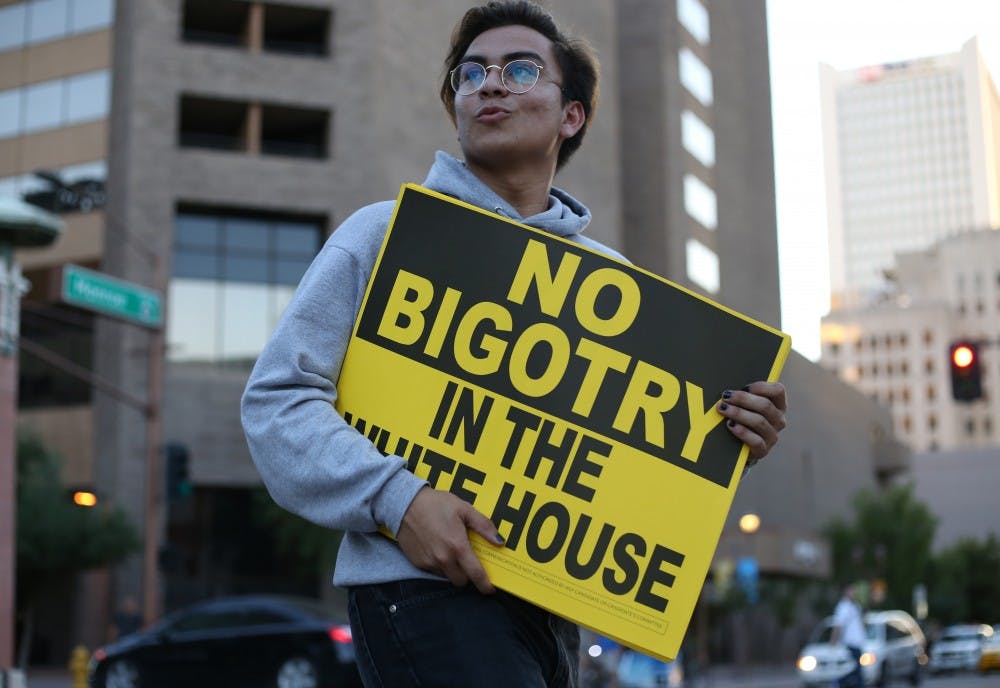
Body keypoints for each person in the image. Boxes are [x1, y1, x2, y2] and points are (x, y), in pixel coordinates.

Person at [241, 2, 788, 686]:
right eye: (471, 74)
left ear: (572, 116)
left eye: (519, 69)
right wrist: (399, 499)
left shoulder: (615, 287)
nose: (489, 83)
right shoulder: (384, 234)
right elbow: (276, 403)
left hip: (559, 611)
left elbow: (629, 469)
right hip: (423, 596)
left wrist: (732, 437)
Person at [830, 583, 866, 688]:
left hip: (858, 644)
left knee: (856, 672)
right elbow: (838, 625)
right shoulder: (843, 607)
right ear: (846, 592)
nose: (854, 593)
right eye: (852, 590)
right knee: (856, 673)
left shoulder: (855, 606)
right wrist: (833, 641)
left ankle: (838, 683)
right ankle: (837, 682)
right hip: (850, 644)